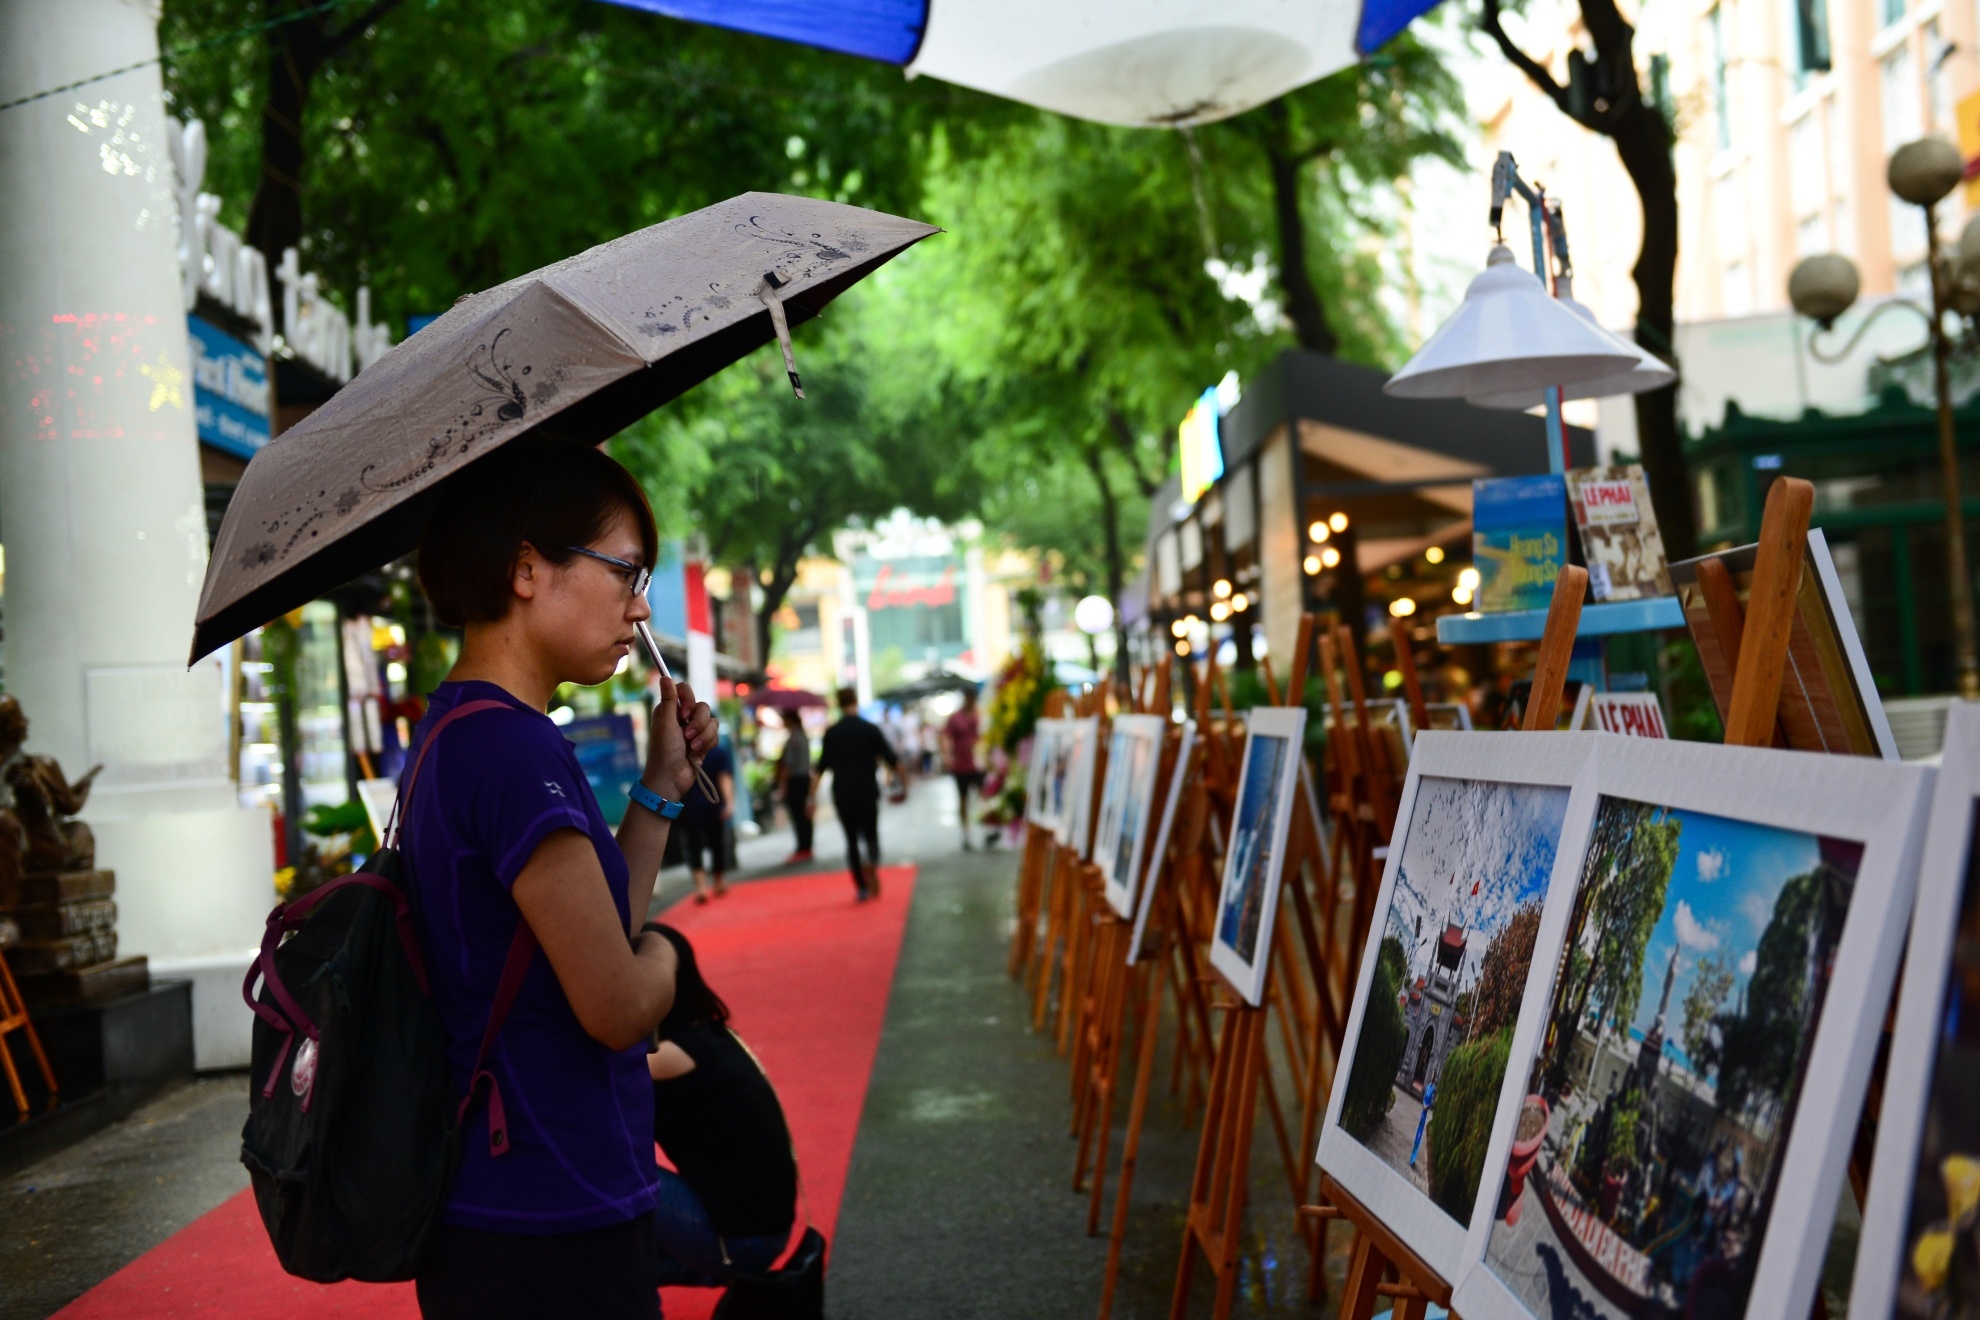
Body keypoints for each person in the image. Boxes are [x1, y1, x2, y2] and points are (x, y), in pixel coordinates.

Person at [403, 438, 718, 1320]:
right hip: (545, 1206)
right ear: (528, 568)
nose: (641, 606)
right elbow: (617, 1001)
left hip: (509, 1196)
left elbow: (586, 928)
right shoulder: (511, 746)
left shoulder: (462, 730)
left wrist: (660, 784)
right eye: (625, 572)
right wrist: (670, 957)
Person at [643, 924, 798, 1290]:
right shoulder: (713, 1034)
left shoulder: (670, 1057)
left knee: (615, 1174)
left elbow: (591, 1076)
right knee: (619, 1266)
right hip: (767, 1228)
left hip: (740, 1242)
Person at [816, 686, 898, 901]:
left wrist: (810, 798)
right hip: (867, 791)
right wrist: (904, 782)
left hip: (843, 794)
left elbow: (819, 768)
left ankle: (861, 887)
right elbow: (891, 758)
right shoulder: (870, 729)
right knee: (871, 834)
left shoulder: (832, 733)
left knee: (851, 840)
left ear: (839, 704)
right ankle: (871, 860)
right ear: (856, 701)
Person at [681, 729, 735, 902]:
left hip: (689, 806)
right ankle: (719, 882)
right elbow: (724, 778)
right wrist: (729, 803)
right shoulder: (718, 752)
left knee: (693, 846)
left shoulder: (685, 753)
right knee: (716, 844)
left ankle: (701, 887)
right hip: (713, 806)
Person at [941, 688, 984, 851]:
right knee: (963, 798)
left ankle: (988, 828)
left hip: (979, 762)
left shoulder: (981, 714)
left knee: (983, 795)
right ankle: (966, 832)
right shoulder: (955, 718)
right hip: (961, 764)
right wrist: (947, 755)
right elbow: (945, 736)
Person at [777, 712, 814, 864]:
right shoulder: (803, 736)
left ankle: (803, 847)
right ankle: (806, 847)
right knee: (805, 814)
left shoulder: (793, 738)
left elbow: (789, 765)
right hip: (805, 778)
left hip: (796, 781)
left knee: (799, 815)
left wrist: (782, 784)